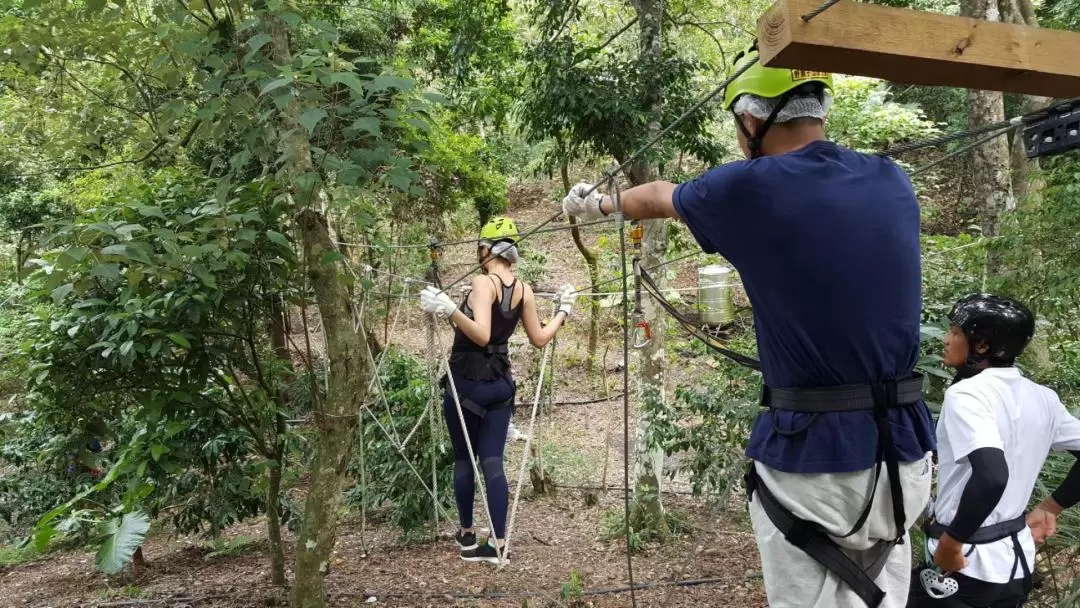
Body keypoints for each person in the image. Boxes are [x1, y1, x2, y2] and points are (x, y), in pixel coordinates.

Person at [560, 45, 936, 607]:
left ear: (752, 120)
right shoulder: (890, 178)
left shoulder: (749, 188)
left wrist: (600, 205)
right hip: (906, 459)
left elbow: (662, 196)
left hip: (817, 465)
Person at [419, 216, 575, 565]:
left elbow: (482, 334)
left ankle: (469, 538)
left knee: (463, 460)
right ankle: (499, 544)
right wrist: (563, 312)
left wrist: (449, 311)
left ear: (486, 250)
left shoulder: (483, 282)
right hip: (500, 387)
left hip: (466, 386)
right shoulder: (524, 290)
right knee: (493, 463)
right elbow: (538, 339)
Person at [911, 294, 1080, 607]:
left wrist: (953, 540)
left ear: (983, 346)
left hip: (964, 567)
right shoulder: (1042, 397)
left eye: (955, 332)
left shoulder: (967, 394)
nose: (947, 339)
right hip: (1015, 566)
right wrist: (1052, 507)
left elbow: (991, 475)